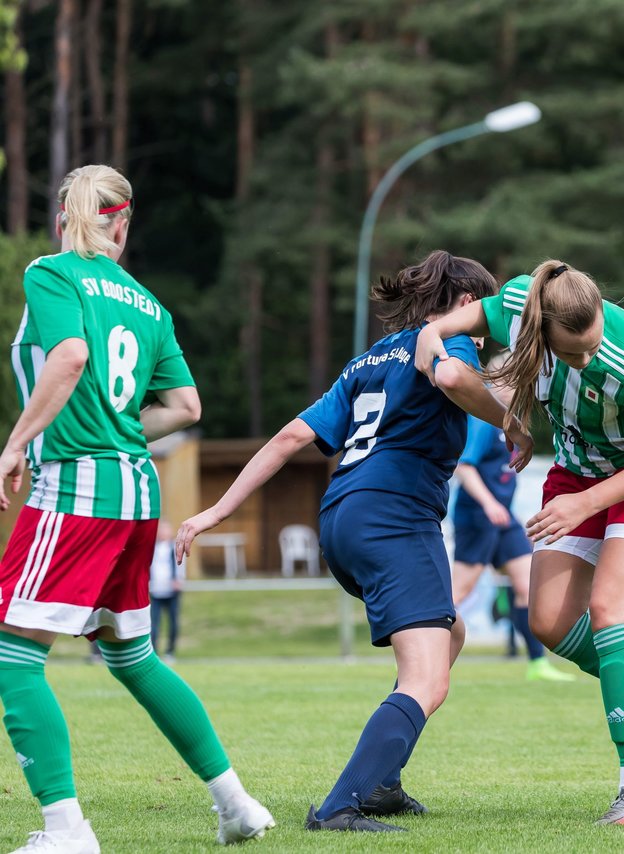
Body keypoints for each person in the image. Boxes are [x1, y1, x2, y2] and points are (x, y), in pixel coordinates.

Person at [176, 250, 530, 833]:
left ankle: (384, 783)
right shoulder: (447, 338)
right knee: (428, 678)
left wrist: (217, 509)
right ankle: (342, 805)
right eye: (484, 316)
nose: (484, 329)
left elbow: (292, 435)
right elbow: (450, 375)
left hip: (341, 516)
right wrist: (510, 423)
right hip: (394, 517)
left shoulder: (366, 359)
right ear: (467, 305)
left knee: (451, 632)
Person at [0, 165, 273, 852]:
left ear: (66, 217)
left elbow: (66, 357)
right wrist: (119, 426)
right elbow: (186, 409)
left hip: (79, 487)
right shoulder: (150, 304)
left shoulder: (52, 272)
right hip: (136, 493)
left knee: (10, 653)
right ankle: (236, 804)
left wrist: (17, 442)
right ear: (123, 222)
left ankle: (66, 831)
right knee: (133, 657)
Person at [416, 259, 624, 825]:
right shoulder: (522, 306)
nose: (586, 360)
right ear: (538, 329)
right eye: (572, 353)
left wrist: (586, 504)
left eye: (591, 345)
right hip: (578, 471)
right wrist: (430, 341)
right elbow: (442, 328)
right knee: (549, 622)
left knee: (611, 612)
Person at [451, 352, 573, 682]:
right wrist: (490, 504)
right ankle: (421, 655)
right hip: (478, 516)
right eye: (513, 379)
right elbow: (464, 466)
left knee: (526, 584)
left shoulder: (512, 421)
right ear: (495, 382)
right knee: (457, 593)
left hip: (503, 520)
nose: (519, 386)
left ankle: (537, 664)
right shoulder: (482, 419)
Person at [149, 519, 184, 661]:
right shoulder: (152, 548)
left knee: (173, 622)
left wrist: (179, 580)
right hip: (155, 591)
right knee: (154, 623)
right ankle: (154, 652)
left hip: (172, 591)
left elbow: (181, 566)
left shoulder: (175, 548)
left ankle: (170, 652)